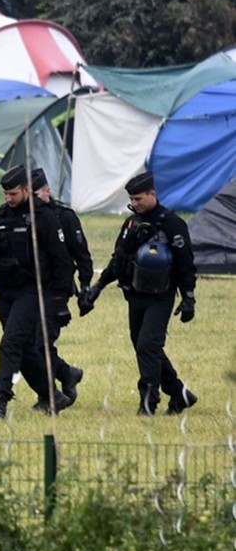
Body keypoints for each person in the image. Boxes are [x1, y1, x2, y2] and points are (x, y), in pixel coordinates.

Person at [80, 171, 198, 415]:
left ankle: (148, 402)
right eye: (131, 199)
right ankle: (179, 394)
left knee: (148, 345)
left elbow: (186, 264)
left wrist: (188, 298)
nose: (134, 204)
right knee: (144, 345)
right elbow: (118, 259)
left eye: (138, 199)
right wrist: (98, 288)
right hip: (135, 294)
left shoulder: (172, 224)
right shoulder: (132, 223)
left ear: (152, 194)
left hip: (162, 296)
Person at [0, 165, 74, 420]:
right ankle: (54, 396)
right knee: (23, 351)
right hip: (6, 292)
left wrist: (60, 302)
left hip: (33, 291)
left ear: (26, 189)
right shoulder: (2, 215)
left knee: (10, 345)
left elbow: (62, 262)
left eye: (13, 194)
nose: (8, 199)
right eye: (5, 194)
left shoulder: (44, 217)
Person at [31, 167, 90, 405]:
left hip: (56, 289)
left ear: (47, 191)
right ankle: (66, 373)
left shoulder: (63, 217)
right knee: (32, 343)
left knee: (40, 342)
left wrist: (85, 288)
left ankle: (48, 395)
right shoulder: (25, 216)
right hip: (30, 290)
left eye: (37, 193)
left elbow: (81, 255)